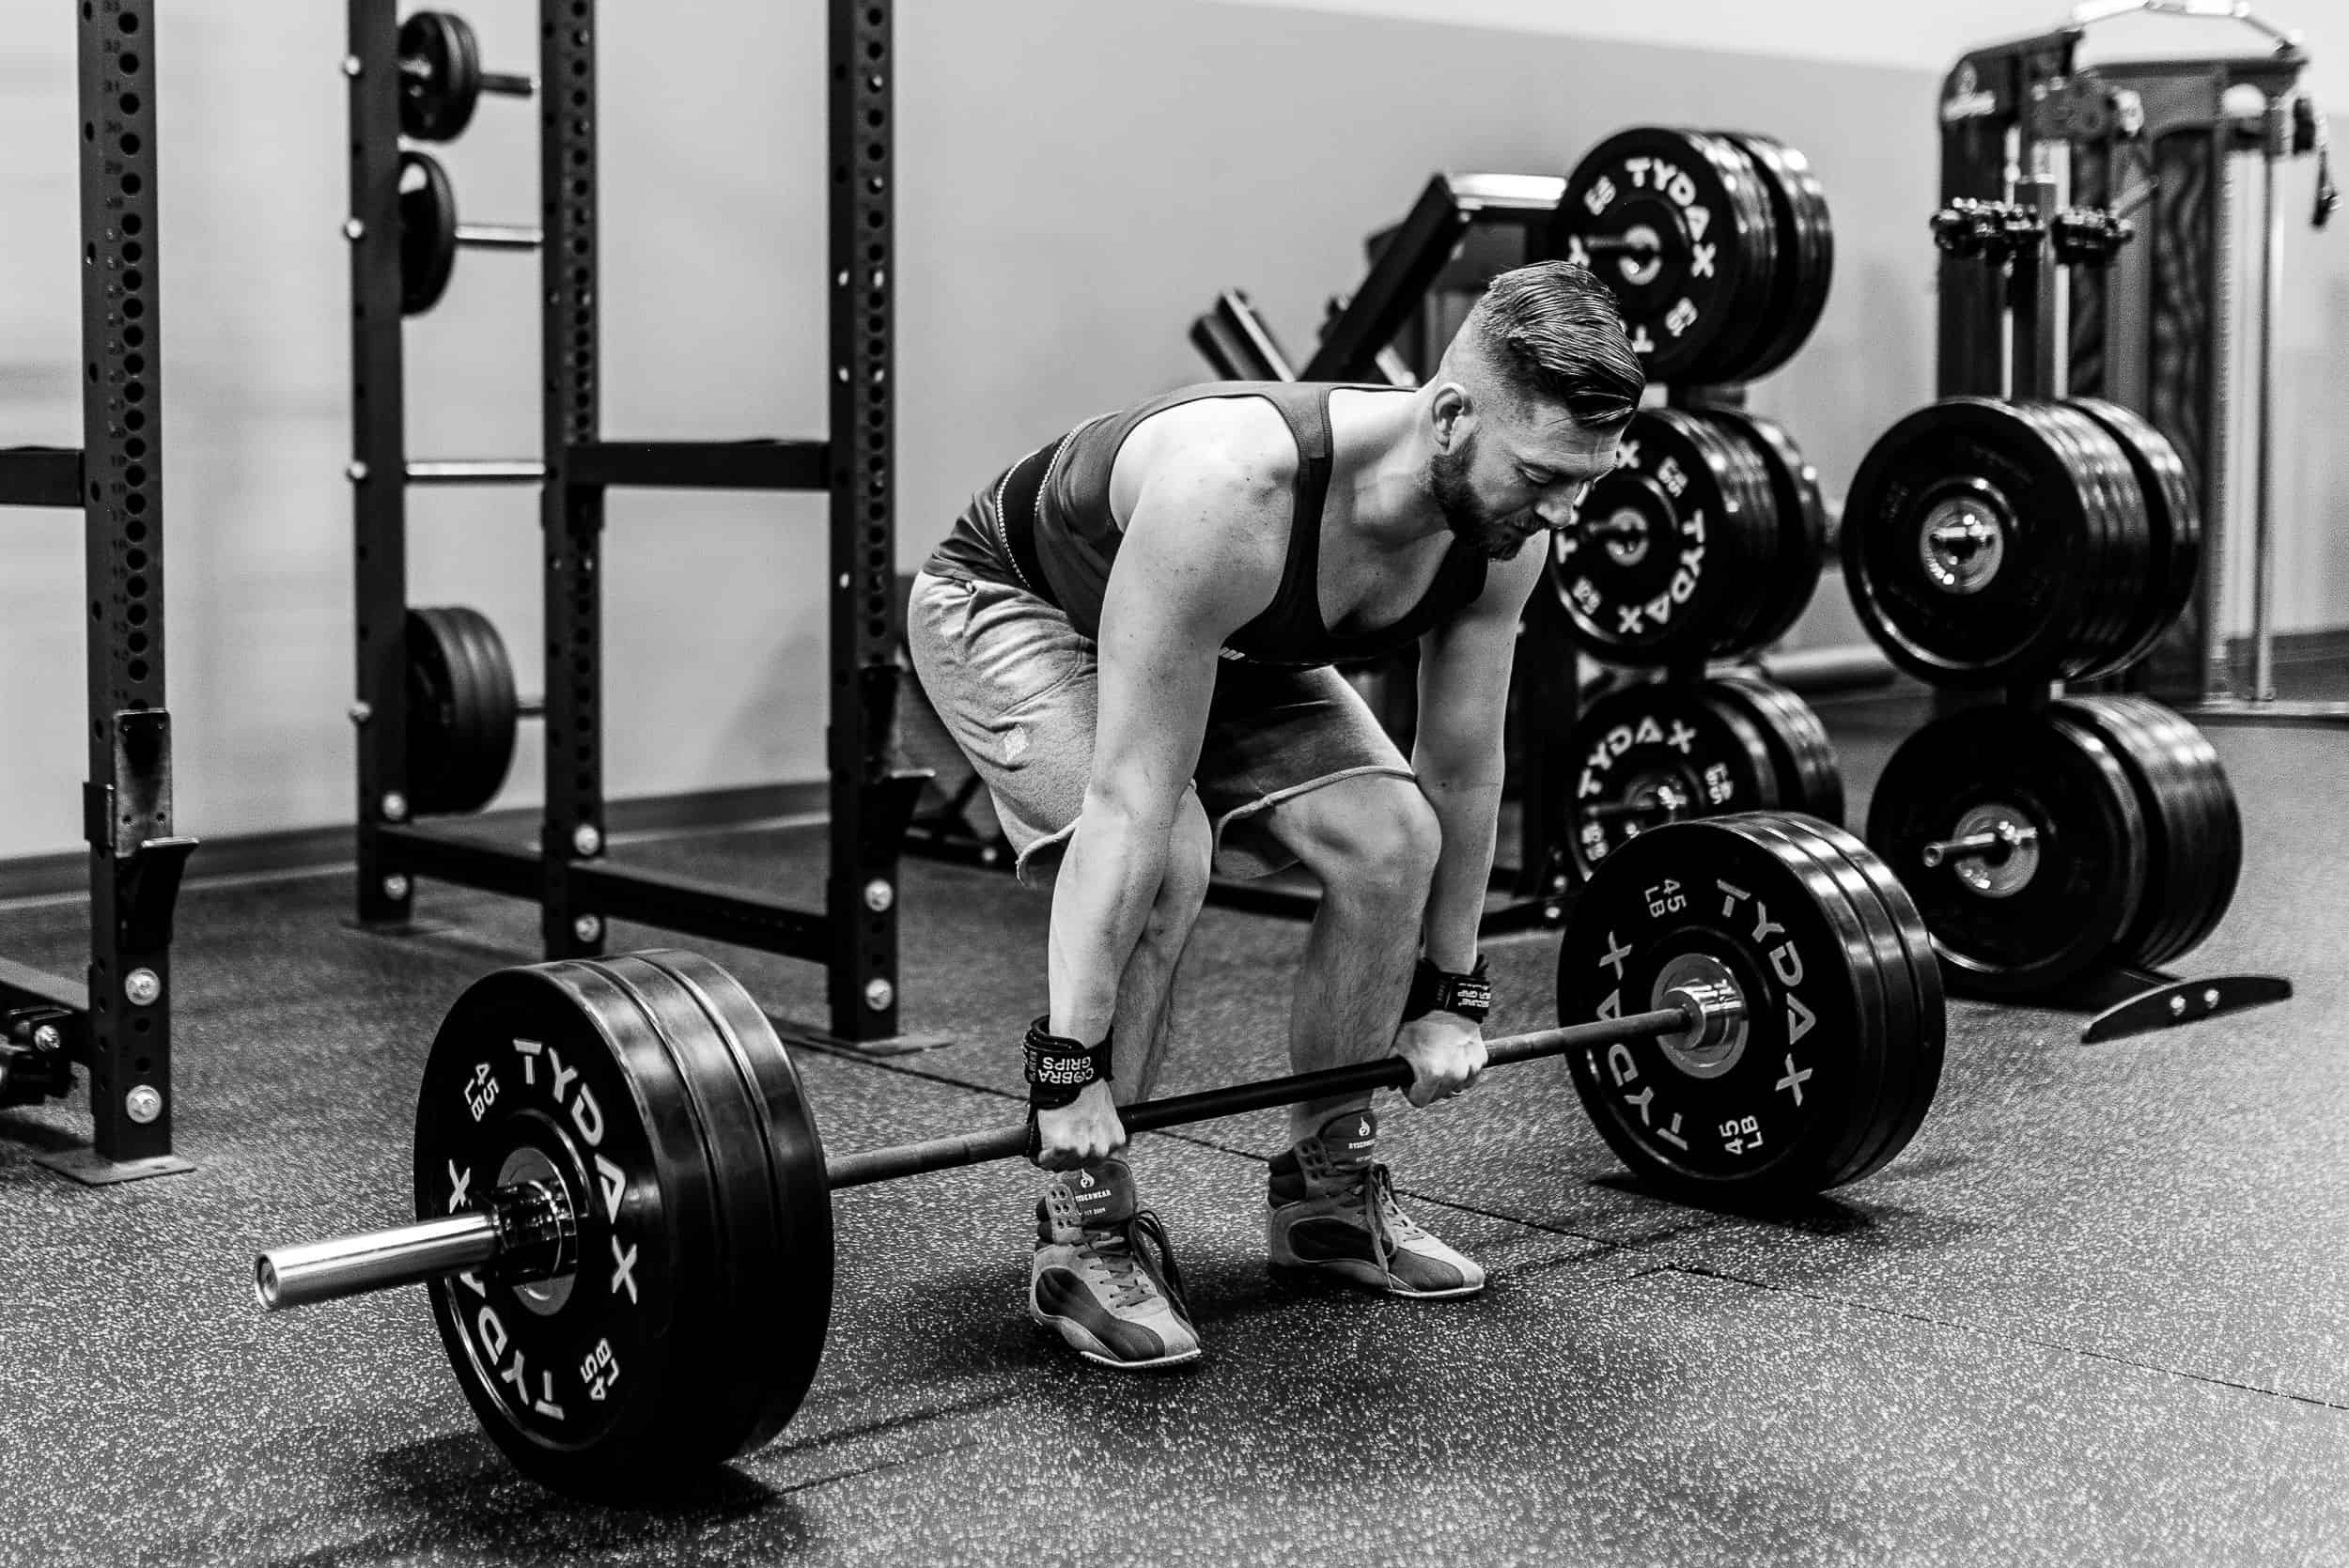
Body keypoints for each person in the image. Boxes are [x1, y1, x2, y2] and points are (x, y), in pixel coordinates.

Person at [906, 260, 1643, 1370]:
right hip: (1018, 605)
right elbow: (1129, 797)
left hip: (1230, 630)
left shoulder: (1507, 536)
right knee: (1168, 858)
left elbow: (1460, 770)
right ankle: (1084, 1225)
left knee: (1393, 842)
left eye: (1586, 479)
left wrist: (1452, 995)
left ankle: (1326, 1196)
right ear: (1450, 416)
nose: (1562, 510)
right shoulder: (1234, 491)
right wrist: (1067, 1066)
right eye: (1541, 475)